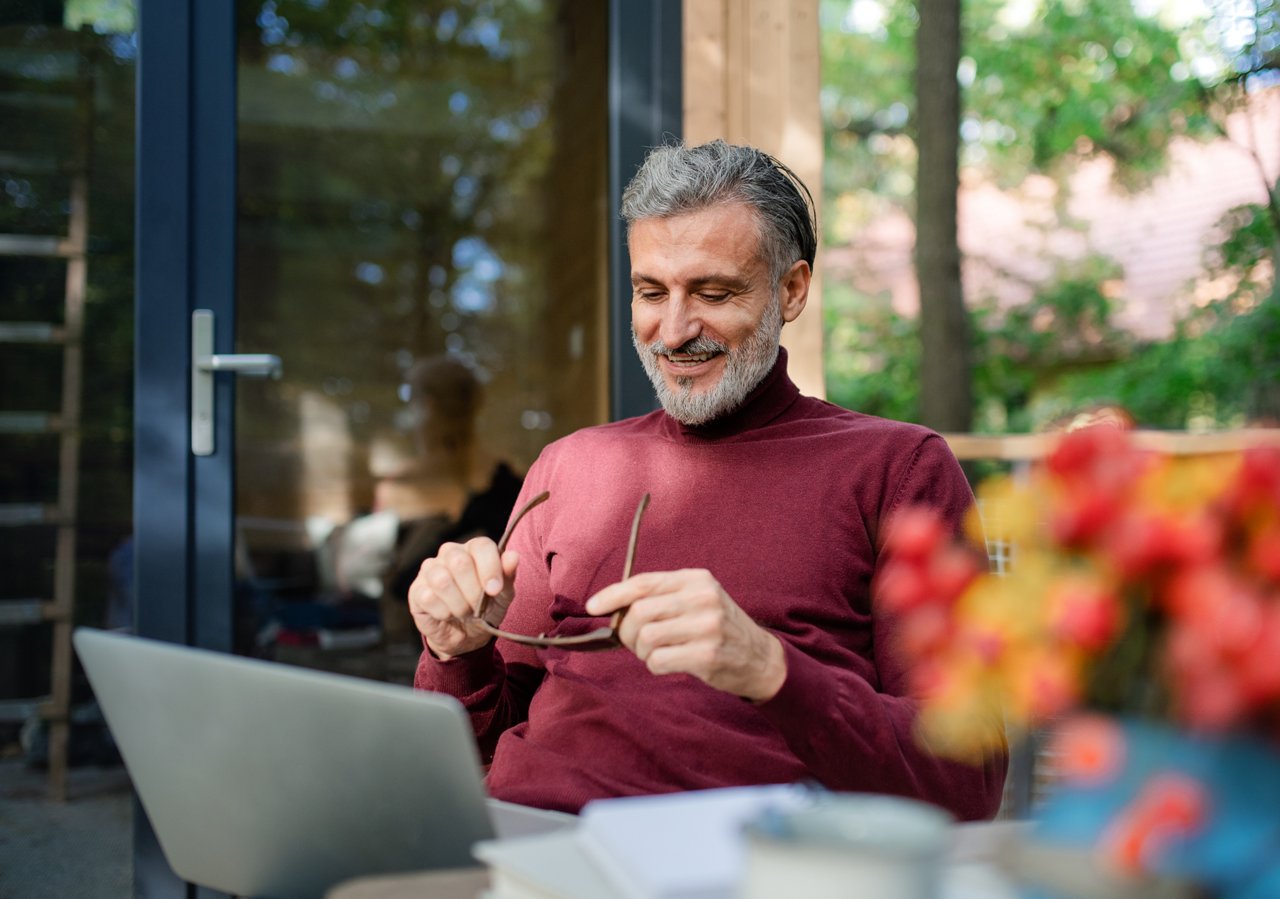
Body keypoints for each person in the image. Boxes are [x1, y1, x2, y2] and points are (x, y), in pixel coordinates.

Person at [408, 140, 1006, 820]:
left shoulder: (897, 470)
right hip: (527, 844)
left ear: (792, 289)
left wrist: (771, 670)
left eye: (713, 292)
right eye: (650, 292)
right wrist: (455, 650)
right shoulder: (569, 467)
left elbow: (968, 780)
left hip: (744, 866)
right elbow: (469, 755)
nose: (674, 329)